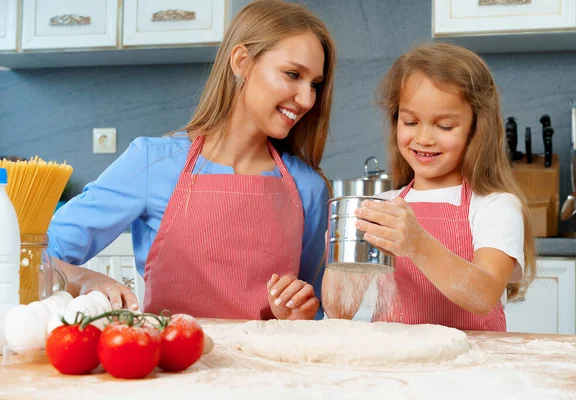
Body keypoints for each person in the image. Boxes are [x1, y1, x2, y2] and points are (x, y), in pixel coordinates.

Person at [48, 0, 336, 321]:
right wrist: (87, 279)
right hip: (174, 365)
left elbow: (318, 305)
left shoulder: (308, 187)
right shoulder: (152, 163)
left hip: (269, 367)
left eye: (315, 84)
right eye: (292, 74)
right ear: (241, 61)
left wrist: (302, 313)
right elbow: (37, 254)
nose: (308, 99)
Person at [322, 43, 536, 331]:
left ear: (476, 130)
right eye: (410, 121)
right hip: (398, 363)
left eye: (444, 126)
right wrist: (339, 250)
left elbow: (483, 294)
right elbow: (339, 309)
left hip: (472, 366)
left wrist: (417, 244)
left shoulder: (495, 205)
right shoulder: (383, 204)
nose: (423, 138)